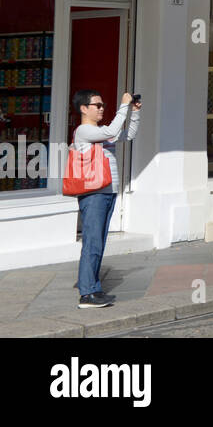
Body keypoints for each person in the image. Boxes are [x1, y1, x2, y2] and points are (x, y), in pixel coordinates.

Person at [72, 90, 141, 308]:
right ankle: (87, 293)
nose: (101, 108)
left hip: (107, 192)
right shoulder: (84, 131)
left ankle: (94, 288)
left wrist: (134, 112)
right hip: (94, 194)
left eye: (102, 105)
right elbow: (113, 129)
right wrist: (123, 106)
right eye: (97, 105)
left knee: (98, 241)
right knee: (92, 242)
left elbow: (127, 135)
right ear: (84, 108)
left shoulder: (100, 132)